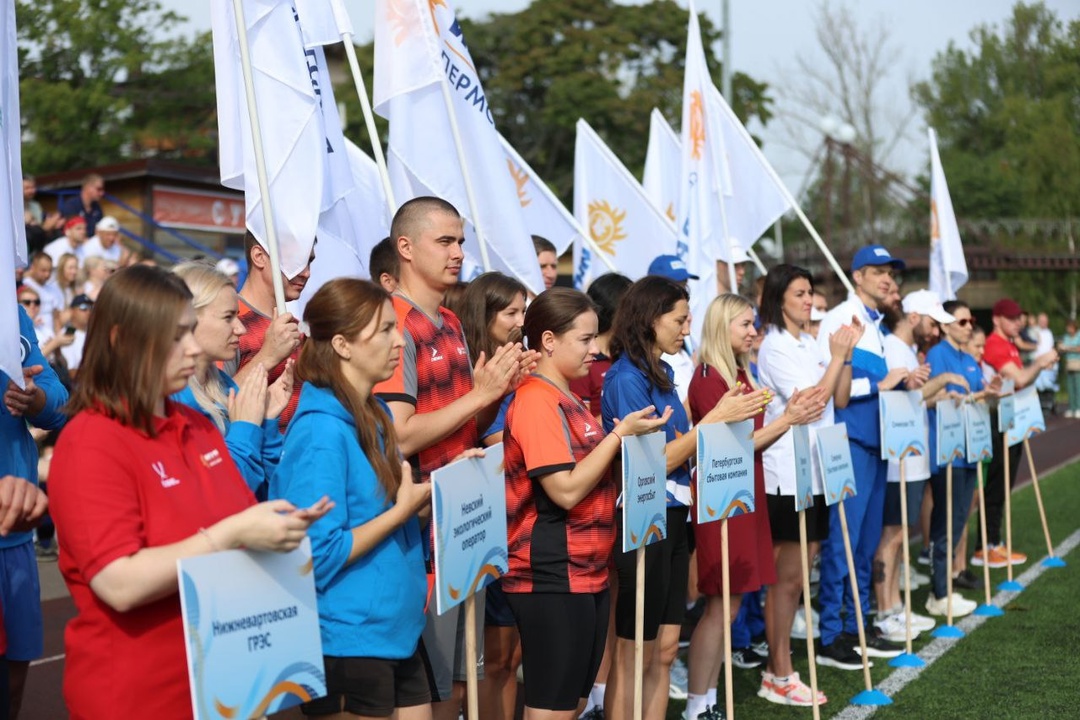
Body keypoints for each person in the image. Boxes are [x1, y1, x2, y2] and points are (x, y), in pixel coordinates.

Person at [47, 265, 331, 720]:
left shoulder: (197, 425)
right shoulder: (91, 440)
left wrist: (279, 525)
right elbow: (118, 582)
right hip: (142, 698)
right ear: (122, 340)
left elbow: (238, 515)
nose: (194, 348)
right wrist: (231, 533)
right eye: (177, 336)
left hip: (225, 686)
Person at [374, 197, 528, 720]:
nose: (459, 252)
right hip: (418, 536)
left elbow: (463, 428)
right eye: (445, 241)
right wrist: (481, 397)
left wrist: (501, 392)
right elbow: (399, 436)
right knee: (433, 692)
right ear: (406, 247)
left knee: (461, 687)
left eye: (460, 240)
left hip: (463, 523)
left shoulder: (449, 321)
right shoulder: (392, 325)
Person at [601, 276, 768, 720]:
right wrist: (714, 420)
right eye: (679, 319)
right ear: (649, 319)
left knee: (666, 647)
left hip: (675, 514)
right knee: (634, 648)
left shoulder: (665, 372)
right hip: (643, 515)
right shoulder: (625, 379)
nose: (687, 328)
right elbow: (649, 462)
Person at [503, 287, 671, 720]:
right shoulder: (537, 400)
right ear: (548, 341)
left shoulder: (568, 397)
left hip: (586, 573)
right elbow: (565, 489)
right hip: (552, 576)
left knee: (571, 705)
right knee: (550, 708)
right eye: (585, 339)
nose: (596, 350)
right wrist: (619, 436)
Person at [272, 278, 433, 720]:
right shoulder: (320, 431)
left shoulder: (375, 415)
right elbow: (317, 552)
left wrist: (433, 498)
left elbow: (392, 517)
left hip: (395, 629)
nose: (398, 339)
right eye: (383, 330)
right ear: (342, 344)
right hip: (348, 639)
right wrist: (401, 510)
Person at [685, 293, 827, 719]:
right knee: (720, 606)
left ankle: (706, 701)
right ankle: (699, 704)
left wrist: (788, 417)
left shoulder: (739, 374)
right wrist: (788, 419)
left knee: (728, 607)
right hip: (723, 499)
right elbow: (730, 448)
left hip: (747, 493)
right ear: (721, 326)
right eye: (745, 324)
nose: (753, 331)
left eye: (754, 324)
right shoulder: (709, 378)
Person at [756, 264, 856, 702]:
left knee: (800, 574)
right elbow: (812, 402)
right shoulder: (775, 348)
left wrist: (844, 355)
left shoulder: (810, 342)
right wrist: (835, 358)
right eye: (799, 293)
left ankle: (779, 669)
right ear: (779, 299)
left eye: (811, 292)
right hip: (787, 474)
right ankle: (778, 673)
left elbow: (840, 396)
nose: (809, 300)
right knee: (787, 579)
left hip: (816, 470)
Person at [814, 245, 911, 669]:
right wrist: (882, 386)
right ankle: (831, 634)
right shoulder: (839, 319)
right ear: (857, 277)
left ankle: (857, 625)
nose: (887, 279)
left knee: (867, 543)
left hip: (877, 445)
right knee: (844, 543)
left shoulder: (877, 326)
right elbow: (829, 389)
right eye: (877, 272)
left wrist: (900, 384)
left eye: (890, 273)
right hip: (850, 443)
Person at [454, 271, 528, 720]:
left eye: (524, 310)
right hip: (484, 519)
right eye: (511, 312)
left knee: (509, 657)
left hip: (519, 521)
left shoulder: (520, 361)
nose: (521, 320)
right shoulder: (473, 368)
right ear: (486, 314)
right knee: (485, 659)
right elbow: (488, 439)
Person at [873, 291, 957, 641]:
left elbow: (913, 398)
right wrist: (942, 381)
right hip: (897, 460)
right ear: (913, 317)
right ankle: (885, 610)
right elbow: (897, 398)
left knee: (901, 535)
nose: (936, 329)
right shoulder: (892, 347)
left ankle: (894, 605)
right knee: (891, 537)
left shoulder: (905, 349)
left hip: (911, 456)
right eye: (932, 321)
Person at [172, 262, 290, 497]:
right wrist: (245, 428)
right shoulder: (170, 400)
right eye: (228, 317)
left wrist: (266, 422)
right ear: (188, 318)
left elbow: (273, 487)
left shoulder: (227, 387)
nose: (241, 329)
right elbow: (220, 491)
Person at [2, 304, 68, 720]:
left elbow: (59, 401)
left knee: (15, 673)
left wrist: (37, 398)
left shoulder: (11, 310)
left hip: (15, 536)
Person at [925, 300, 999, 618]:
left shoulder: (968, 359)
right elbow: (931, 398)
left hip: (971, 450)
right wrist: (955, 395)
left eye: (971, 321)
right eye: (963, 321)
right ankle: (939, 592)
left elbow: (977, 397)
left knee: (958, 523)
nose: (969, 326)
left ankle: (946, 585)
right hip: (949, 450)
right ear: (944, 325)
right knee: (947, 524)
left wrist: (991, 393)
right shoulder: (937, 355)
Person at [974, 298, 1058, 569]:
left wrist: (1037, 367)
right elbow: (1019, 379)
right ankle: (986, 545)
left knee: (1003, 483)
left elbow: (1021, 380)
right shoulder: (996, 344)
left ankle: (993, 542)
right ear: (997, 319)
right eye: (1011, 318)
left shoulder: (1009, 344)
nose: (1018, 322)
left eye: (1019, 317)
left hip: (1009, 417)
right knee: (996, 484)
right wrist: (1040, 362)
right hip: (995, 419)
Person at [225, 231, 314, 431]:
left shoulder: (300, 329)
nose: (306, 272)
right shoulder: (228, 321)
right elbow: (212, 403)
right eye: (296, 261)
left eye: (309, 262)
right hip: (249, 457)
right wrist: (267, 356)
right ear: (259, 256)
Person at [571, 273, 632, 419]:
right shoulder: (583, 359)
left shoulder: (630, 356)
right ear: (616, 309)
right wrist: (624, 416)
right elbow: (582, 428)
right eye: (633, 308)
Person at [58, 294, 93, 380]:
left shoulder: (95, 332)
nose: (88, 312)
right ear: (72, 311)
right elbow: (71, 372)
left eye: (91, 308)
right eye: (83, 307)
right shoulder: (68, 333)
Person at [1058, 319, 1080, 418]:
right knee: (1070, 387)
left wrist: (1068, 348)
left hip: (1078, 364)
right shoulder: (1066, 337)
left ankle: (1078, 408)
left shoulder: (1079, 335)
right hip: (1069, 364)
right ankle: (1072, 408)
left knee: (1078, 387)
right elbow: (1060, 346)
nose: (1068, 329)